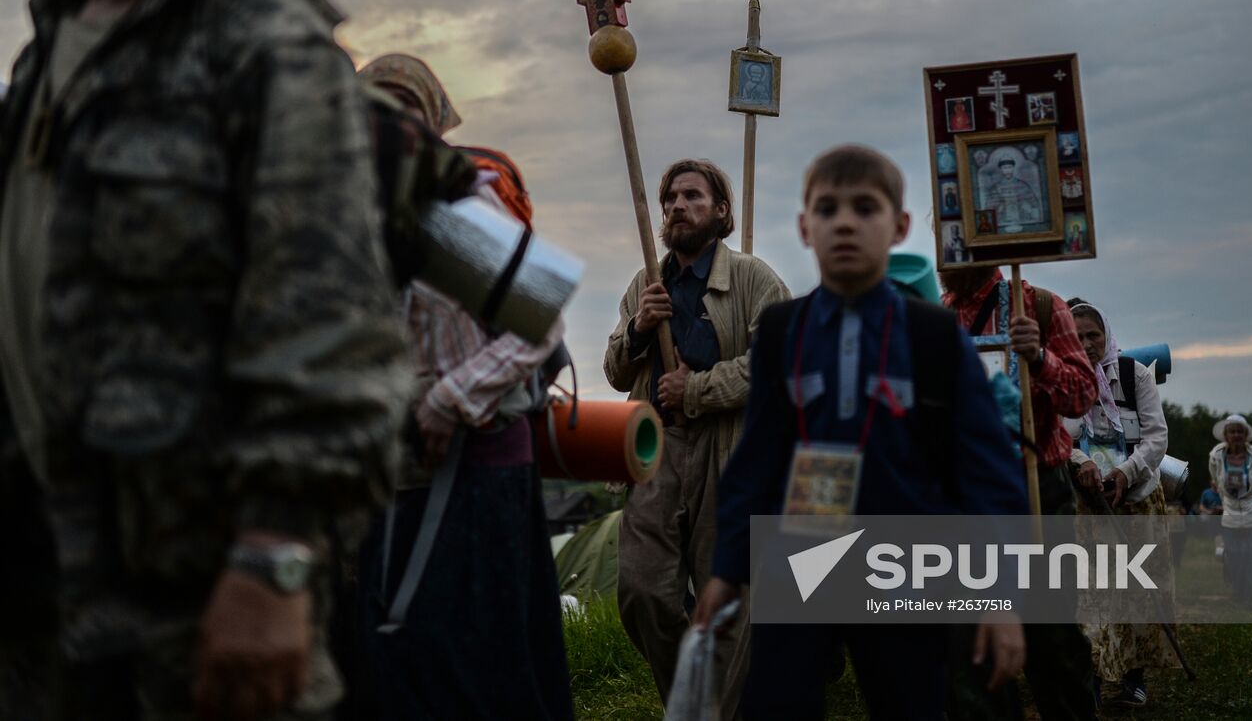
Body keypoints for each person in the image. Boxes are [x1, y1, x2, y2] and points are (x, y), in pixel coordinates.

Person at [0, 0, 411, 718]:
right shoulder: (53, 42)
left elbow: (335, 334)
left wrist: (274, 558)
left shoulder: (262, 41)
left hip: (203, 607)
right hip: (49, 584)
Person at [694, 145, 1028, 719]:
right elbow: (758, 457)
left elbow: (988, 469)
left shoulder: (933, 335)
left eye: (865, 208)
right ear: (804, 227)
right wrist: (727, 569)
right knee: (776, 702)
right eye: (826, 209)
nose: (844, 222)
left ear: (898, 226)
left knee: (909, 702)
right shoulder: (781, 330)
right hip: (803, 551)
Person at [345, 56, 574, 720]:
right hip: (393, 475)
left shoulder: (459, 204)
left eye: (403, 108)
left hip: (479, 473)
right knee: (400, 661)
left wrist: (450, 398)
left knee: (480, 664)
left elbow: (541, 322)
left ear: (434, 119)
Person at [603, 159, 789, 719]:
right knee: (642, 591)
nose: (677, 208)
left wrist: (699, 388)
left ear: (721, 210)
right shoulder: (645, 280)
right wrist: (639, 328)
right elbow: (614, 371)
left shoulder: (755, 279)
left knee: (725, 598)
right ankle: (694, 696)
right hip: (658, 447)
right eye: (669, 200)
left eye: (691, 196)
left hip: (727, 448)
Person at [940, 264, 1098, 721]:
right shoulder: (939, 316)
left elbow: (1084, 393)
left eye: (958, 246)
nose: (947, 259)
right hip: (967, 497)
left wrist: (1041, 359)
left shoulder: (1041, 306)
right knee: (973, 640)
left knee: (1052, 636)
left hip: (1038, 490)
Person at [1064, 300, 1175, 709]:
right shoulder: (1062, 383)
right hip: (1088, 504)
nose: (1087, 343)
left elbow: (1156, 437)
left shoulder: (1134, 375)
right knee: (1090, 595)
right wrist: (1083, 463)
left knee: (1135, 593)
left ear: (1106, 335)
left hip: (1138, 501)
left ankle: (1134, 677)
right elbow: (1059, 436)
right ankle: (1091, 680)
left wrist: (1125, 472)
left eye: (1093, 335)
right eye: (1076, 337)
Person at [1208, 414, 1252, 601]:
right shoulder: (1216, 456)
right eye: (1232, 431)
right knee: (1234, 555)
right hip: (1231, 512)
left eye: (1240, 431)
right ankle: (1239, 590)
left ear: (1246, 434)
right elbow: (1216, 481)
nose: (1236, 435)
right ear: (1226, 435)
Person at [983, 157, 1041, 230]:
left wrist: (1029, 209)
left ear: (1013, 168)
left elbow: (1034, 204)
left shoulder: (1023, 185)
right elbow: (989, 208)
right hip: (1003, 222)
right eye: (1004, 168)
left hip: (1022, 221)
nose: (1007, 170)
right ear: (1001, 169)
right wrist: (999, 208)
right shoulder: (995, 188)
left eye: (1009, 167)